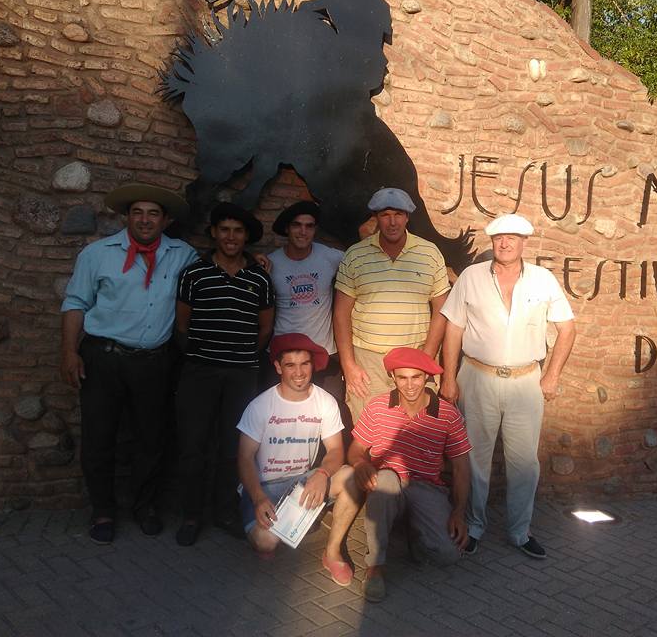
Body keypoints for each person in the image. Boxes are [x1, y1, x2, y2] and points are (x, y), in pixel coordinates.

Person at [60, 183, 198, 545]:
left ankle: (144, 506)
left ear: (165, 220)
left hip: (153, 362)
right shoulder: (97, 254)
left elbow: (214, 272)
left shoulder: (183, 255)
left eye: (153, 213)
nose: (145, 220)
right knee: (99, 437)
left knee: (151, 438)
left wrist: (254, 262)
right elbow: (75, 303)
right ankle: (103, 510)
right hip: (103, 359)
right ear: (127, 216)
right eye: (138, 212)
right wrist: (69, 352)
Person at [440, 213, 576, 560]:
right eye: (499, 238)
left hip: (525, 380)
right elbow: (453, 328)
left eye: (512, 238)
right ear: (492, 241)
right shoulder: (471, 277)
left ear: (523, 242)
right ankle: (474, 526)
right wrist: (448, 377)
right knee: (475, 457)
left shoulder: (543, 280)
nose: (505, 243)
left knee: (524, 462)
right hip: (477, 376)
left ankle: (519, 531)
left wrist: (552, 375)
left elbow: (567, 328)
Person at [326, 347, 472, 602]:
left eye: (416, 377)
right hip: (388, 482)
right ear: (392, 376)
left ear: (426, 377)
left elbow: (461, 467)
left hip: (427, 486)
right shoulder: (377, 406)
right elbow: (357, 449)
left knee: (448, 555)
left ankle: (412, 532)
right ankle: (375, 567)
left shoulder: (448, 414)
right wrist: (360, 464)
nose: (410, 385)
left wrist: (459, 511)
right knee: (384, 480)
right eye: (402, 377)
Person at [173, 202, 274, 546]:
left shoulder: (259, 278)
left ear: (246, 237)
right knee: (193, 445)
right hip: (199, 372)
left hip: (242, 374)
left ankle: (226, 511)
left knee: (234, 447)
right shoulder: (193, 274)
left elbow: (265, 328)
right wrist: (203, 355)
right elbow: (182, 325)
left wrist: (240, 356)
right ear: (214, 233)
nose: (231, 237)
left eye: (238, 231)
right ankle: (191, 515)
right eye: (225, 230)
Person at [333, 188, 450, 421]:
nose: (392, 222)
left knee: (416, 428)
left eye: (398, 214)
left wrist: (426, 357)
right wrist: (349, 365)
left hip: (415, 356)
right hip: (369, 362)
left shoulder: (429, 253)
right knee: (368, 430)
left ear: (407, 217)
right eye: (385, 215)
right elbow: (340, 314)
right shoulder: (355, 255)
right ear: (376, 218)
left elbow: (441, 309)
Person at [236, 333, 348, 568]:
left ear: (312, 365)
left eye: (304, 364)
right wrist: (258, 498)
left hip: (302, 482)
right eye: (290, 365)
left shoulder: (325, 401)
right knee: (266, 542)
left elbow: (336, 450)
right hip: (264, 486)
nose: (299, 372)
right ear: (278, 367)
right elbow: (244, 457)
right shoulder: (260, 406)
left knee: (351, 475)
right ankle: (296, 519)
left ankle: (332, 551)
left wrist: (322, 474)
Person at [267, 201, 345, 404]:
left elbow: (359, 263)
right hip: (285, 356)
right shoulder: (271, 262)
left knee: (331, 411)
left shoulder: (329, 257)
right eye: (297, 225)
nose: (303, 232)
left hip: (324, 352)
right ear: (287, 228)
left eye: (309, 226)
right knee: (283, 414)